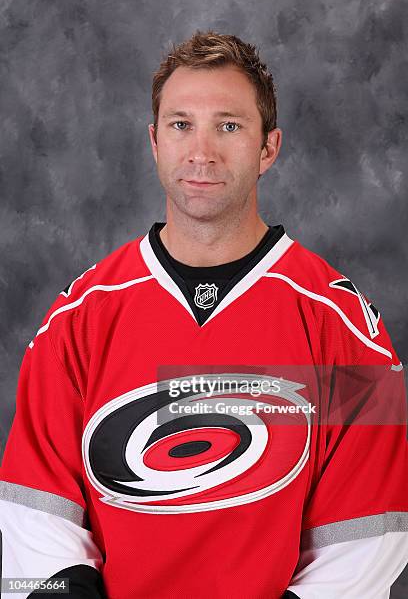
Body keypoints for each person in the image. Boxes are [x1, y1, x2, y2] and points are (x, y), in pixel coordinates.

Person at [0, 30, 407, 599]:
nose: (201, 152)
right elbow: (32, 508)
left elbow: (369, 534)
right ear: (154, 141)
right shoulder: (81, 317)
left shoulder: (343, 326)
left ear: (269, 147)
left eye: (230, 125)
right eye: (181, 124)